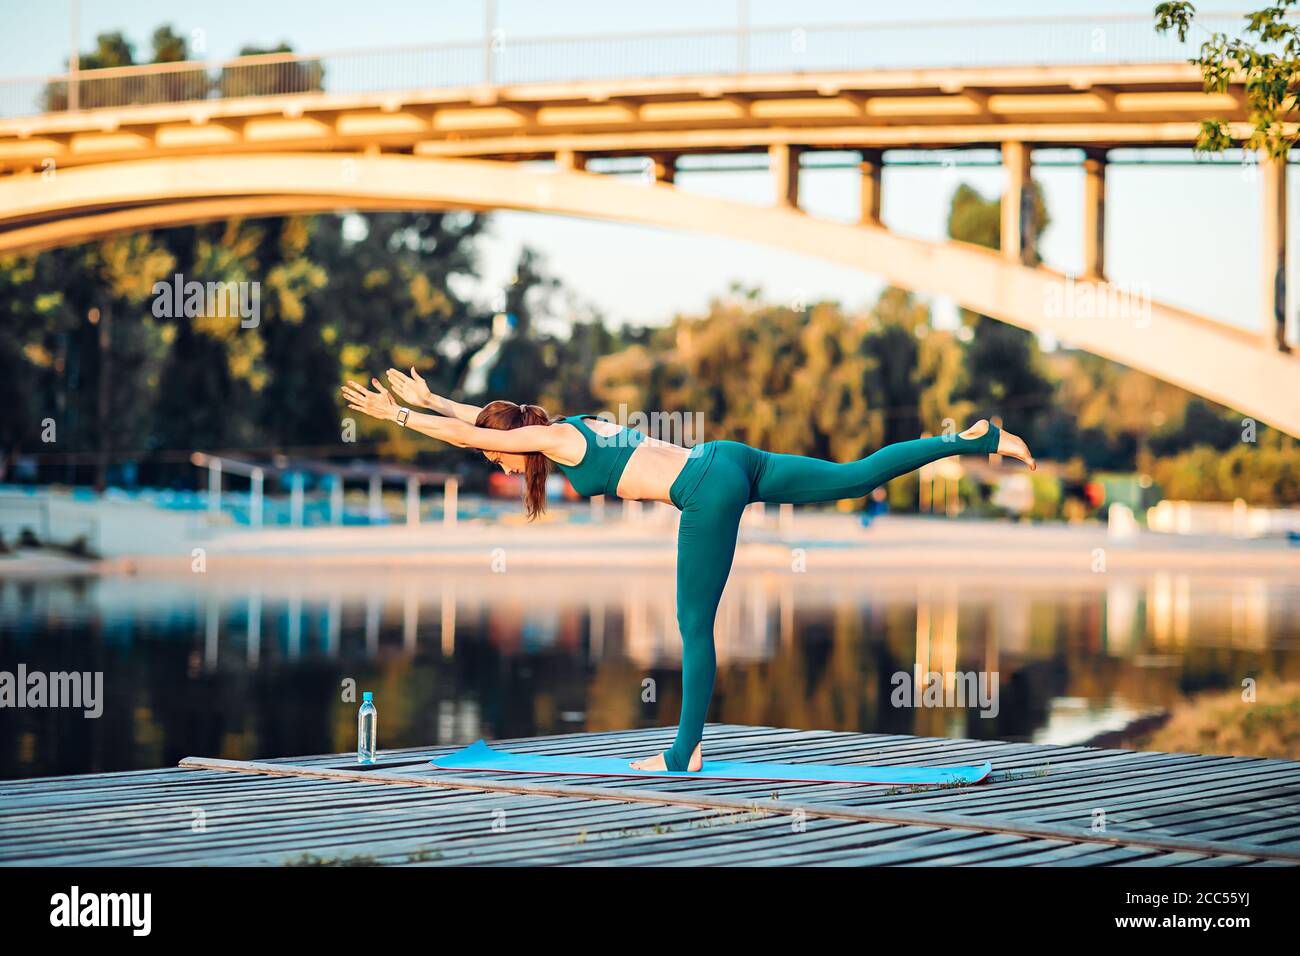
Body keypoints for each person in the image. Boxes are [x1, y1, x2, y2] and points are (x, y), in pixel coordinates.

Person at [342, 368, 1035, 773]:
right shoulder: (561, 423)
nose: (500, 464)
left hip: (706, 493)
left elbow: (474, 434)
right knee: (854, 478)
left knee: (695, 624)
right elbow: (479, 424)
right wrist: (431, 400)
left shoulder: (551, 439)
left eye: (502, 458)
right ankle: (970, 439)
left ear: (517, 440)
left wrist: (399, 416)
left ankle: (683, 754)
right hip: (727, 457)